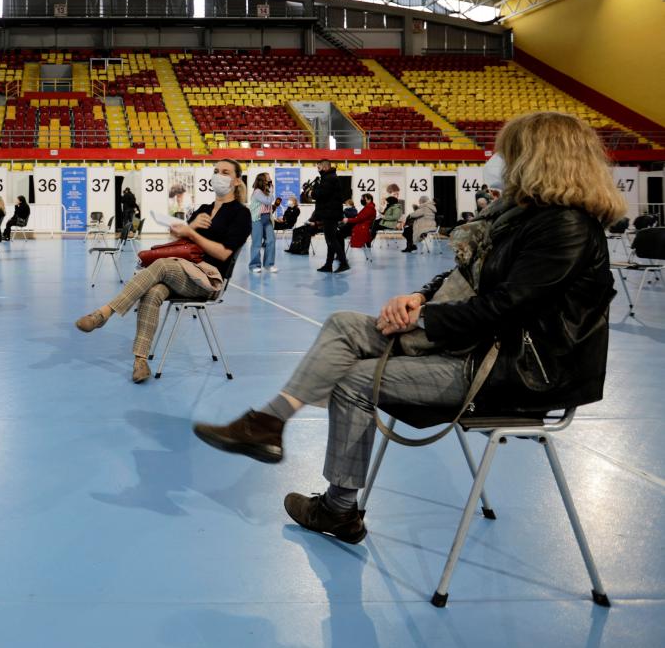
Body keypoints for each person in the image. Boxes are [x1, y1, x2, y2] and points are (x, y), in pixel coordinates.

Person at [191, 111, 624, 545]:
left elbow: (503, 308)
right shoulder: (518, 216)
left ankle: (338, 510)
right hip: (479, 345)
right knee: (343, 322)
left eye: (508, 152)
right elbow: (466, 276)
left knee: (353, 381)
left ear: (538, 159)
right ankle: (269, 422)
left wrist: (423, 318)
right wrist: (419, 297)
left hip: (516, 370)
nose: (497, 160)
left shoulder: (564, 226)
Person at [75, 159, 251, 384]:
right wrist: (190, 228)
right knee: (153, 292)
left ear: (236, 181)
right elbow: (178, 239)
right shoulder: (204, 209)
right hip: (185, 272)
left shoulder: (240, 214)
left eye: (225, 172)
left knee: (162, 264)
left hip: (209, 279)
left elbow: (223, 254)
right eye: (216, 171)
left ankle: (104, 313)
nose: (219, 175)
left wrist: (193, 233)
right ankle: (140, 361)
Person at [312, 160, 348, 273]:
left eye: (319, 167)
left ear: (324, 167)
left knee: (331, 239)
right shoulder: (329, 177)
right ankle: (329, 264)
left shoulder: (329, 178)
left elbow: (321, 194)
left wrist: (311, 193)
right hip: (329, 212)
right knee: (330, 240)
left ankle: (343, 263)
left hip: (330, 213)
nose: (318, 170)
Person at [248, 172, 278, 274]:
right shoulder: (257, 192)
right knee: (257, 243)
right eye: (268, 178)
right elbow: (268, 201)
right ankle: (254, 265)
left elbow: (269, 203)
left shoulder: (266, 191)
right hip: (257, 219)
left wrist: (270, 191)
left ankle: (269, 264)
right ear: (262, 180)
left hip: (267, 218)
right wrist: (271, 191)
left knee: (271, 240)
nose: (270, 180)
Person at [347, 193, 377, 262]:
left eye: (363, 199)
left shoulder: (369, 208)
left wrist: (348, 220)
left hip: (361, 228)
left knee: (339, 234)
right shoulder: (369, 207)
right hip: (361, 226)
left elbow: (359, 219)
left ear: (369, 200)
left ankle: (341, 256)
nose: (361, 200)